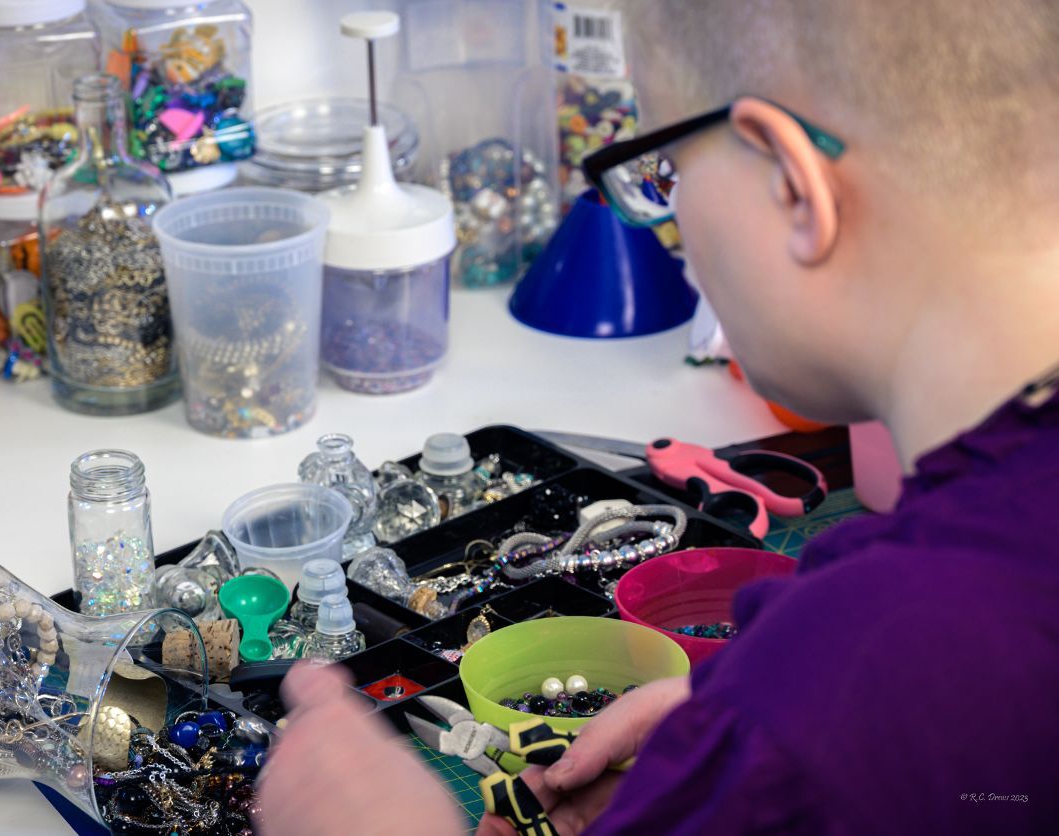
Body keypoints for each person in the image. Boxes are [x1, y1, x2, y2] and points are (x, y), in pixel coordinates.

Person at [257, 0, 1059, 833]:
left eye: (665, 171)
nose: (668, 214)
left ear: (790, 184)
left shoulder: (865, 663)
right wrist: (759, 718)